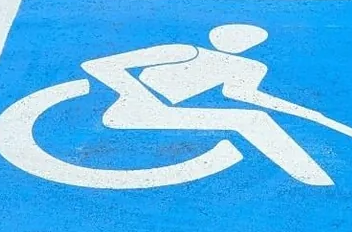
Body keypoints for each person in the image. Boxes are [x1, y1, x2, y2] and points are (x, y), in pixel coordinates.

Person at [81, 24, 335, 186]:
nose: (239, 42)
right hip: (129, 109)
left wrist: (306, 112)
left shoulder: (249, 66)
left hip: (166, 110)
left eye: (248, 39)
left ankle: (319, 180)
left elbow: (244, 95)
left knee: (254, 117)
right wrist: (139, 94)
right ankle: (316, 181)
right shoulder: (182, 51)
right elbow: (98, 66)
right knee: (250, 120)